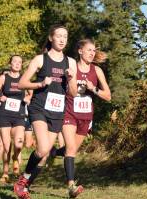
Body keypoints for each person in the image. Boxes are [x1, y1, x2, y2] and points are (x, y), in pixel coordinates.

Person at [13, 24, 77, 199]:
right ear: (51, 38)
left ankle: (23, 182)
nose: (62, 39)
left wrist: (71, 79)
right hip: (39, 107)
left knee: (45, 153)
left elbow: (73, 92)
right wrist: (40, 84)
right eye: (59, 36)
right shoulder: (40, 59)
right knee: (42, 149)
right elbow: (21, 83)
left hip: (57, 112)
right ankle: (23, 181)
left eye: (65, 36)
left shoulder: (71, 63)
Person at [51, 39, 111, 198]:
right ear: (80, 51)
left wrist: (93, 88)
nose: (92, 53)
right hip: (69, 113)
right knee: (70, 149)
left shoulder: (97, 71)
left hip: (86, 117)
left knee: (69, 150)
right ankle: (71, 186)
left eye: (94, 51)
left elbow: (108, 96)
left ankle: (50, 152)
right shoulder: (71, 67)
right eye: (89, 50)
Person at [0, 55, 31, 183]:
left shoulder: (24, 78)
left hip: (19, 115)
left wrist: (28, 99)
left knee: (19, 143)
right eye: (15, 61)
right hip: (4, 115)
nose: (17, 64)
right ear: (10, 64)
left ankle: (15, 157)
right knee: (7, 146)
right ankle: (5, 173)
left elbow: (31, 92)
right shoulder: (3, 78)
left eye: (20, 62)